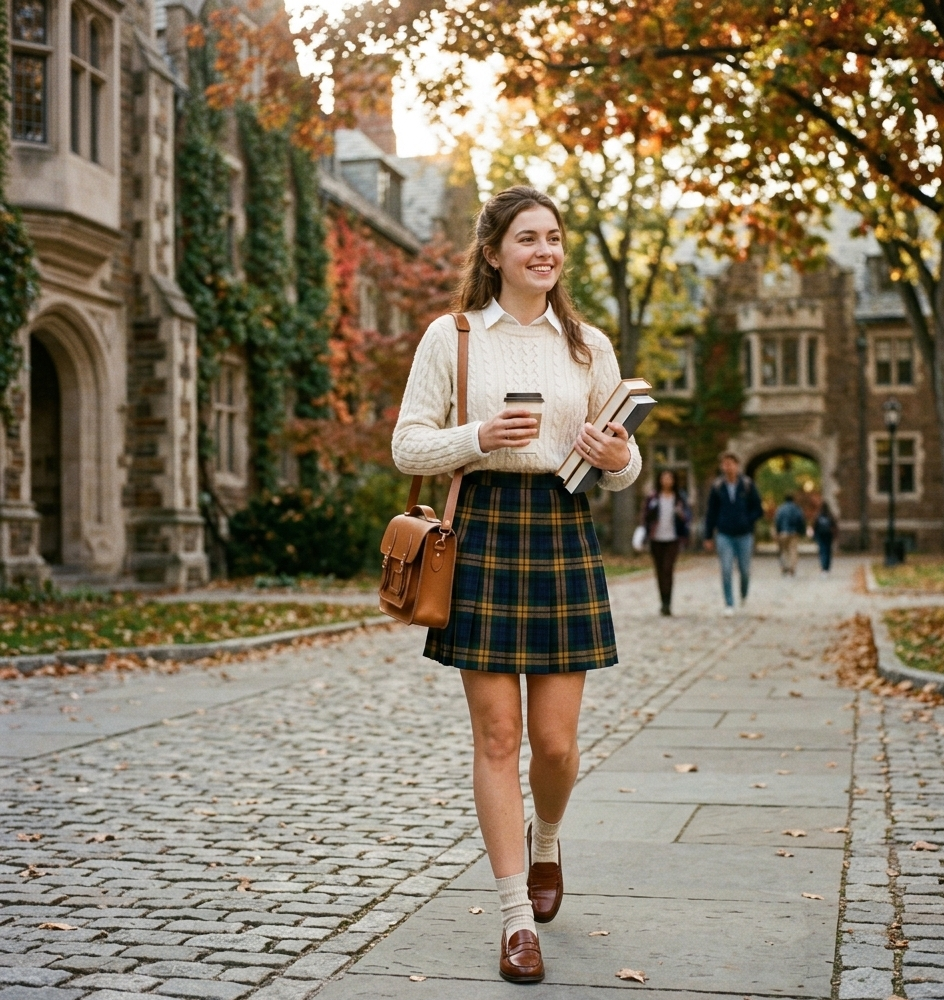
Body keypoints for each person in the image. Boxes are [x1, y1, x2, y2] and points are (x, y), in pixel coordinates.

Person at [392, 186, 642, 983]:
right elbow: (407, 446)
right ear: (494, 252)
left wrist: (618, 460)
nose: (545, 250)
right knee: (498, 739)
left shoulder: (587, 345)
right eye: (527, 238)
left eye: (554, 238)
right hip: (488, 532)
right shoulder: (453, 336)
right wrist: (478, 435)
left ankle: (548, 839)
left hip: (564, 529)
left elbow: (622, 466)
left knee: (557, 746)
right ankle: (512, 922)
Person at [704, 452, 763, 615]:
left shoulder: (747, 485)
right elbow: (711, 513)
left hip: (744, 534)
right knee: (726, 568)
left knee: (744, 569)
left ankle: (743, 592)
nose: (727, 467)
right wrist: (708, 535)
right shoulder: (717, 487)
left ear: (737, 465)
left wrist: (747, 520)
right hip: (724, 534)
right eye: (724, 464)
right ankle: (729, 602)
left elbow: (758, 509)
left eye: (730, 463)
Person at [642, 469, 691, 615]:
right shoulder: (653, 497)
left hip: (673, 538)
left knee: (667, 569)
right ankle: (663, 601)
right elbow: (645, 516)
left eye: (670, 478)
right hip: (656, 538)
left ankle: (668, 602)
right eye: (664, 478)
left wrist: (681, 515)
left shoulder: (679, 497)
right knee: (659, 571)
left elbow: (687, 516)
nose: (667, 481)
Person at [774, 493, 807, 576]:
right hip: (794, 532)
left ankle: (785, 567)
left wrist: (778, 531)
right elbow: (801, 520)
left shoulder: (781, 508)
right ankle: (792, 568)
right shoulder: (797, 508)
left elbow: (777, 520)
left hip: (783, 532)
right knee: (793, 551)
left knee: (784, 551)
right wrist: (801, 531)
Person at [813, 501, 837, 575]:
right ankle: (827, 567)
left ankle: (823, 567)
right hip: (828, 535)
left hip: (820, 535)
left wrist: (814, 535)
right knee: (828, 550)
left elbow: (814, 525)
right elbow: (834, 525)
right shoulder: (830, 515)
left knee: (822, 550)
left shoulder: (818, 515)